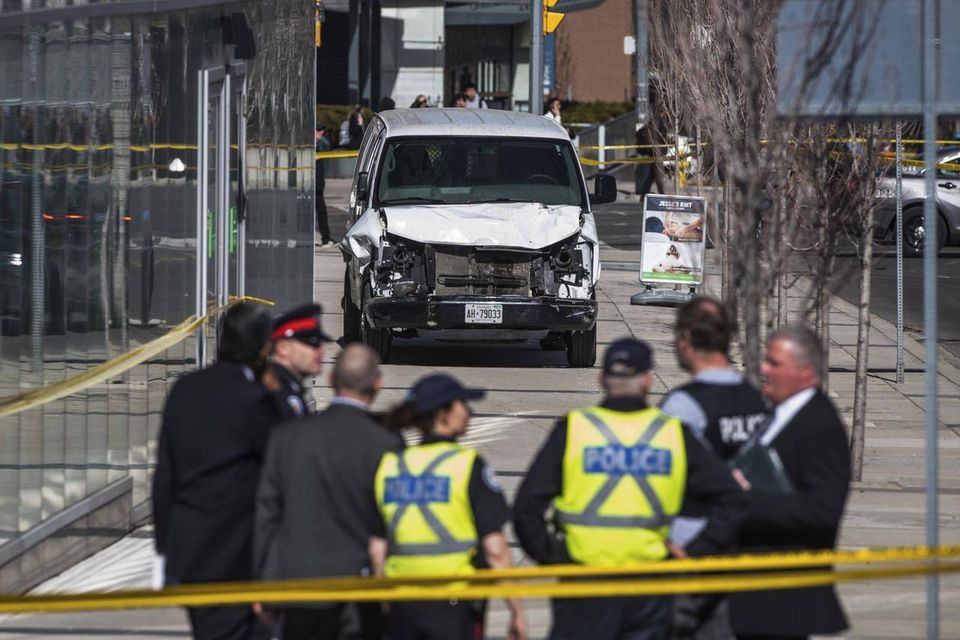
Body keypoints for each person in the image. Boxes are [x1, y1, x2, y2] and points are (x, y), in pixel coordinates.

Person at [514, 337, 748, 640]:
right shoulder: (673, 434)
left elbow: (526, 507)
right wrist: (694, 552)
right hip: (648, 587)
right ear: (648, 381)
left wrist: (554, 556)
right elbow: (733, 499)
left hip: (584, 584)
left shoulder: (574, 429)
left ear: (601, 379)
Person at [254, 343, 402, 640]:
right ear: (377, 383)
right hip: (359, 587)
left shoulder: (289, 436)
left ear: (332, 379)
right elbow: (396, 520)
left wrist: (262, 583)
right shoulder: (386, 444)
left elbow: (267, 515)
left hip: (298, 584)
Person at [153, 302, 279, 640]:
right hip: (236, 554)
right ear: (262, 350)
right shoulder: (254, 399)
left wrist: (166, 548)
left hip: (191, 551)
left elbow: (165, 476)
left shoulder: (184, 389)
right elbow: (278, 467)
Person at [370, 374, 526, 640]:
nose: (469, 411)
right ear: (443, 414)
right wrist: (517, 610)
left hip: (402, 604)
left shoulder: (391, 466)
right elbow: (496, 550)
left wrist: (386, 606)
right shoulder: (467, 466)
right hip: (454, 605)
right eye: (462, 404)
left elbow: (377, 551)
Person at [727, 326, 851, 639]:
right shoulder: (781, 413)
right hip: (754, 590)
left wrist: (747, 499)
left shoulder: (820, 426)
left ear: (805, 372)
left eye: (774, 363)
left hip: (782, 597)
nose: (763, 369)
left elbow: (822, 509)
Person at [659, 297, 769, 640]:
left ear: (686, 339)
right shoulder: (756, 401)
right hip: (743, 547)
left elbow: (660, 480)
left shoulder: (682, 406)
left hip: (689, 548)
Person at [261, 303, 331, 419]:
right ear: (283, 348)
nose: (321, 351)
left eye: (319, 344)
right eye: (312, 343)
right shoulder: (274, 395)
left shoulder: (288, 388)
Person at [314, 124, 333, 246]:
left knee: (322, 212)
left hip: (318, 185)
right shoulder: (308, 145)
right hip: (310, 185)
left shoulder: (320, 145)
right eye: (319, 130)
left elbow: (328, 145)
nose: (321, 132)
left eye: (322, 130)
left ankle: (326, 239)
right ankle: (325, 239)